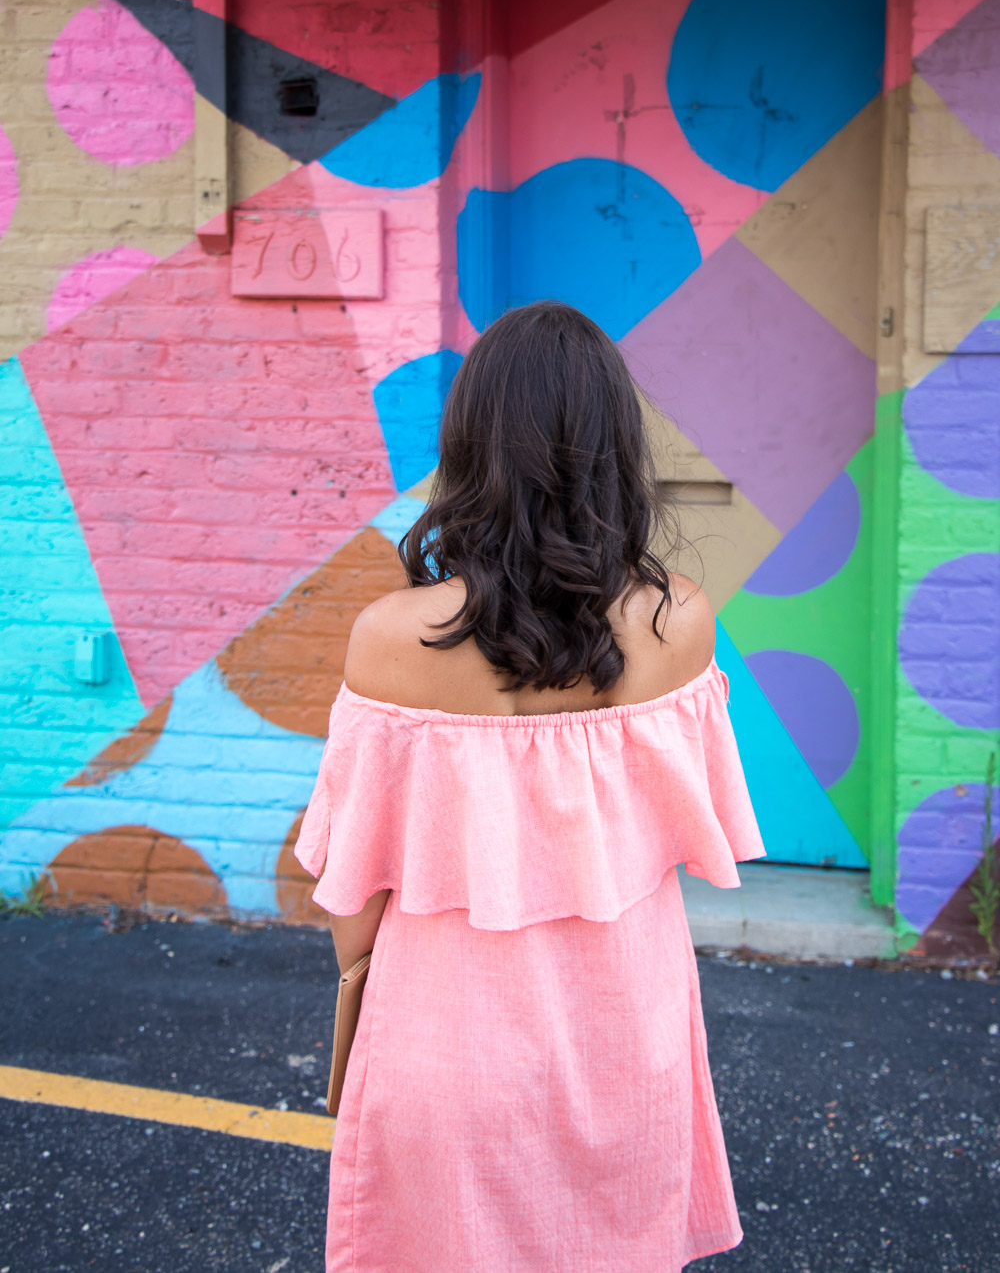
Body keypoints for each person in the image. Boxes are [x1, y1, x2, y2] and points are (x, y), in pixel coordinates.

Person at [295, 300, 765, 1272]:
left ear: (469, 449)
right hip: (624, 1037)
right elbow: (691, 832)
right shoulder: (681, 622)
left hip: (444, 1036)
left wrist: (353, 992)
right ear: (613, 450)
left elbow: (350, 893)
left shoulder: (392, 639)